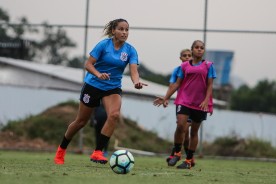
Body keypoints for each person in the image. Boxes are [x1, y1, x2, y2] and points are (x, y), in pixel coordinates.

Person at [54, 18, 147, 165]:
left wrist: (136, 82)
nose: (124, 32)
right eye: (121, 29)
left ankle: (98, 152)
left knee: (114, 115)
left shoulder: (130, 50)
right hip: (93, 85)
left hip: (112, 87)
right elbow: (88, 64)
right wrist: (98, 74)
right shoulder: (104, 45)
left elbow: (134, 71)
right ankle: (61, 150)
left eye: (127, 30)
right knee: (81, 122)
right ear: (113, 31)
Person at [153, 40, 216, 169]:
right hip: (184, 100)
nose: (199, 49)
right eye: (197, 47)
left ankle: (188, 161)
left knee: (193, 132)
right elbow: (176, 84)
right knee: (181, 125)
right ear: (192, 49)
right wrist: (166, 98)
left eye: (202, 48)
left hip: (200, 104)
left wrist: (206, 100)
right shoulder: (184, 66)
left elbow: (210, 85)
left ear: (204, 51)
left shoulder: (209, 66)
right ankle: (176, 152)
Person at [164, 49, 196, 167]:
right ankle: (188, 158)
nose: (187, 57)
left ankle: (177, 154)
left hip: (194, 104)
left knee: (185, 129)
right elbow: (172, 85)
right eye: (184, 56)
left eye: (189, 55)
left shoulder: (197, 70)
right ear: (180, 58)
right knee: (182, 129)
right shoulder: (177, 70)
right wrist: (166, 98)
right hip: (181, 103)